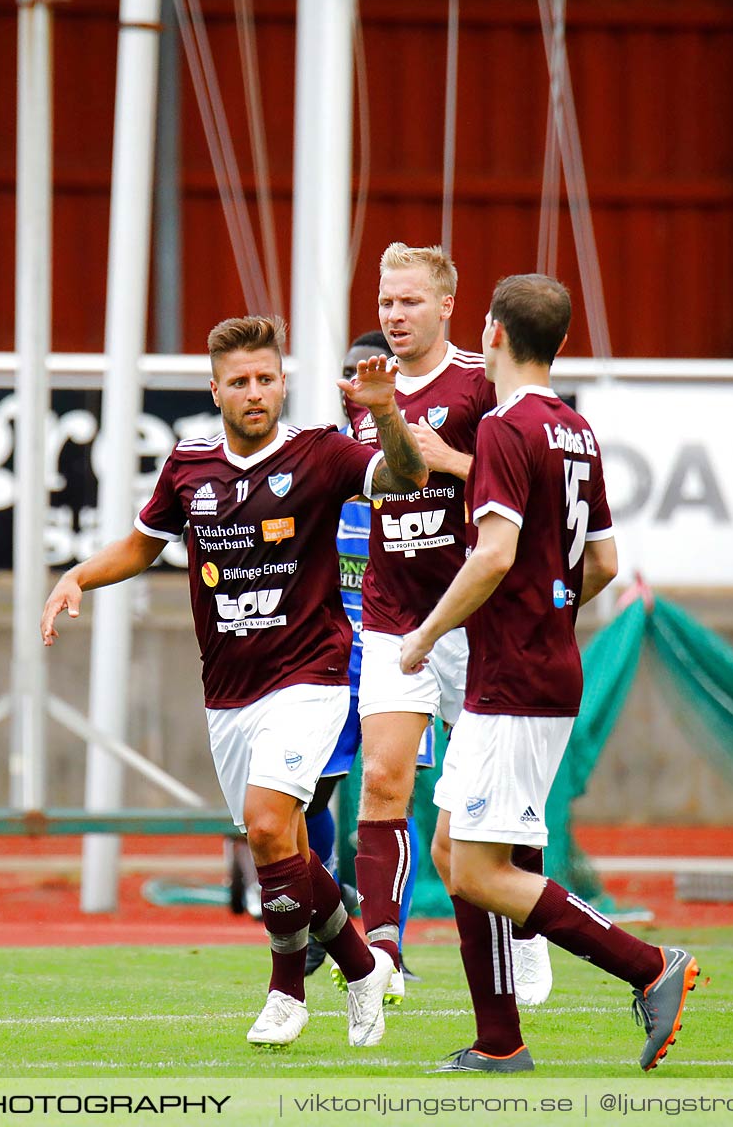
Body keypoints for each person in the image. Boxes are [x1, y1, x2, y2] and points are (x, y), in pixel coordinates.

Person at [42, 314, 428, 1049]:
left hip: (311, 676)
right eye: (239, 383)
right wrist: (77, 577)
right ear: (215, 390)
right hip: (228, 692)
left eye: (265, 379)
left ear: (283, 383)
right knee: (279, 848)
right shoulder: (189, 468)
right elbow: (140, 545)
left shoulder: (322, 454)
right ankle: (361, 964)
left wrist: (385, 412)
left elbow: (406, 476)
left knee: (265, 824)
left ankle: (287, 993)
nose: (255, 393)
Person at [401, 274, 699, 1073]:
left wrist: (428, 631)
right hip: (531, 665)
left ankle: (649, 966)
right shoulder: (576, 429)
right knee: (451, 853)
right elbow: (601, 560)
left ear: (491, 331)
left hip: (514, 676)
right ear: (561, 343)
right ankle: (499, 1041)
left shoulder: (502, 428)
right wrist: (551, 605)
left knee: (479, 870)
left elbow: (494, 555)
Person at [347, 244, 555, 1016]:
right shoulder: (369, 390)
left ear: (445, 308)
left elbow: (534, 482)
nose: (393, 315)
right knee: (382, 778)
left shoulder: (480, 384)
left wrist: (456, 463)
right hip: (392, 611)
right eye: (384, 301)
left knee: (489, 802)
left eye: (408, 302)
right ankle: (383, 954)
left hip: (472, 619)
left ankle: (527, 929)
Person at [302, 330, 430, 981]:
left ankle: (390, 950)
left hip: (397, 648)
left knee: (390, 800)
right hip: (326, 656)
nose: (358, 381)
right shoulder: (323, 457)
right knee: (303, 800)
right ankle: (328, 906)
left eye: (372, 371)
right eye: (350, 371)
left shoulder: (421, 463)